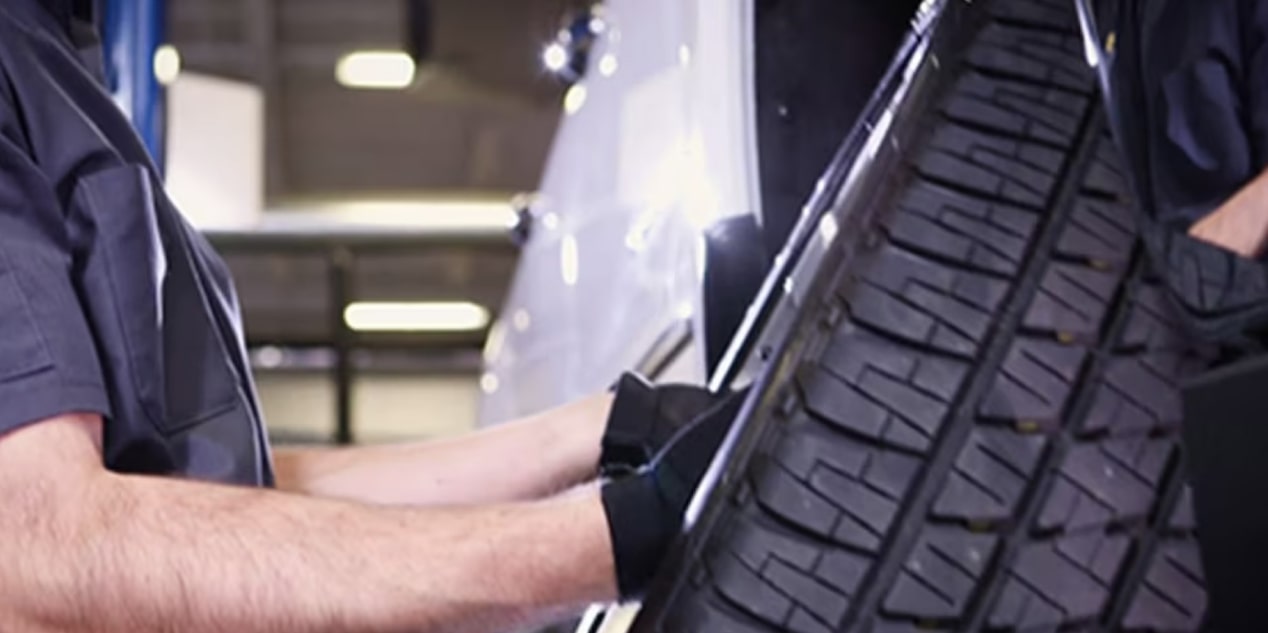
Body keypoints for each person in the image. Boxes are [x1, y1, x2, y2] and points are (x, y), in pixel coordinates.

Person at [0, 1, 746, 631]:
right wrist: (606, 539)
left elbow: (228, 502)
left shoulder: (54, 57)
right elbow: (49, 545)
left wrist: (602, 427)